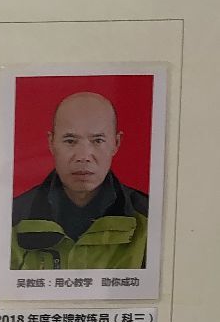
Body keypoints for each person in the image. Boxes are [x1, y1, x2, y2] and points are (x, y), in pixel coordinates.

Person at [11, 90, 149, 273]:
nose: (83, 156)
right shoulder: (11, 219)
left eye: (97, 140)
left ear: (116, 143)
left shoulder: (149, 219)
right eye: (70, 141)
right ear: (51, 143)